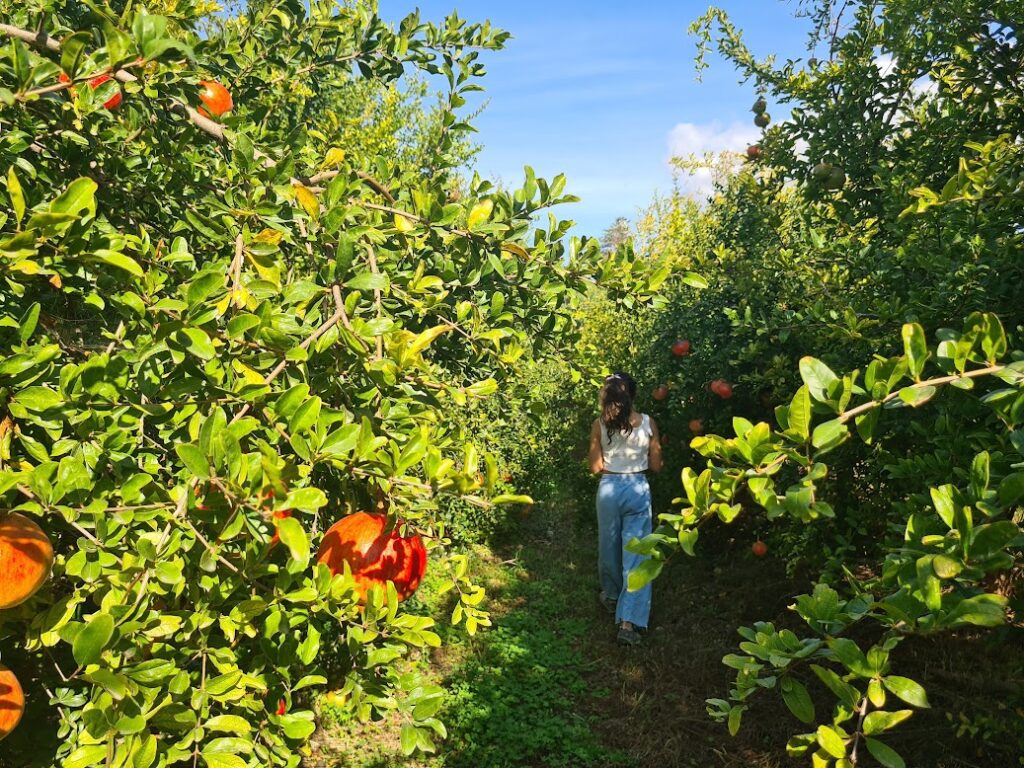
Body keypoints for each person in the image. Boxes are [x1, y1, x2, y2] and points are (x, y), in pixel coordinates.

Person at [588, 372, 663, 646]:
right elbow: (656, 466)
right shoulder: (648, 423)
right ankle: (628, 622)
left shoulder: (599, 425)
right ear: (632, 394)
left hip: (609, 487)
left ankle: (610, 596)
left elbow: (595, 468)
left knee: (608, 547)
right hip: (637, 487)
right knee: (637, 554)